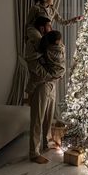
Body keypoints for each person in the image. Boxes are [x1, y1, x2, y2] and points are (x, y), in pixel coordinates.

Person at [25, 16, 60, 164]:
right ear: (41, 28)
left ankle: (47, 142)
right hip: (41, 84)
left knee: (49, 115)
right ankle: (34, 153)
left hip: (51, 83)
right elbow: (33, 64)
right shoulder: (33, 43)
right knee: (37, 119)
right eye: (48, 26)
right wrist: (49, 76)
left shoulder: (47, 42)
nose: (51, 29)